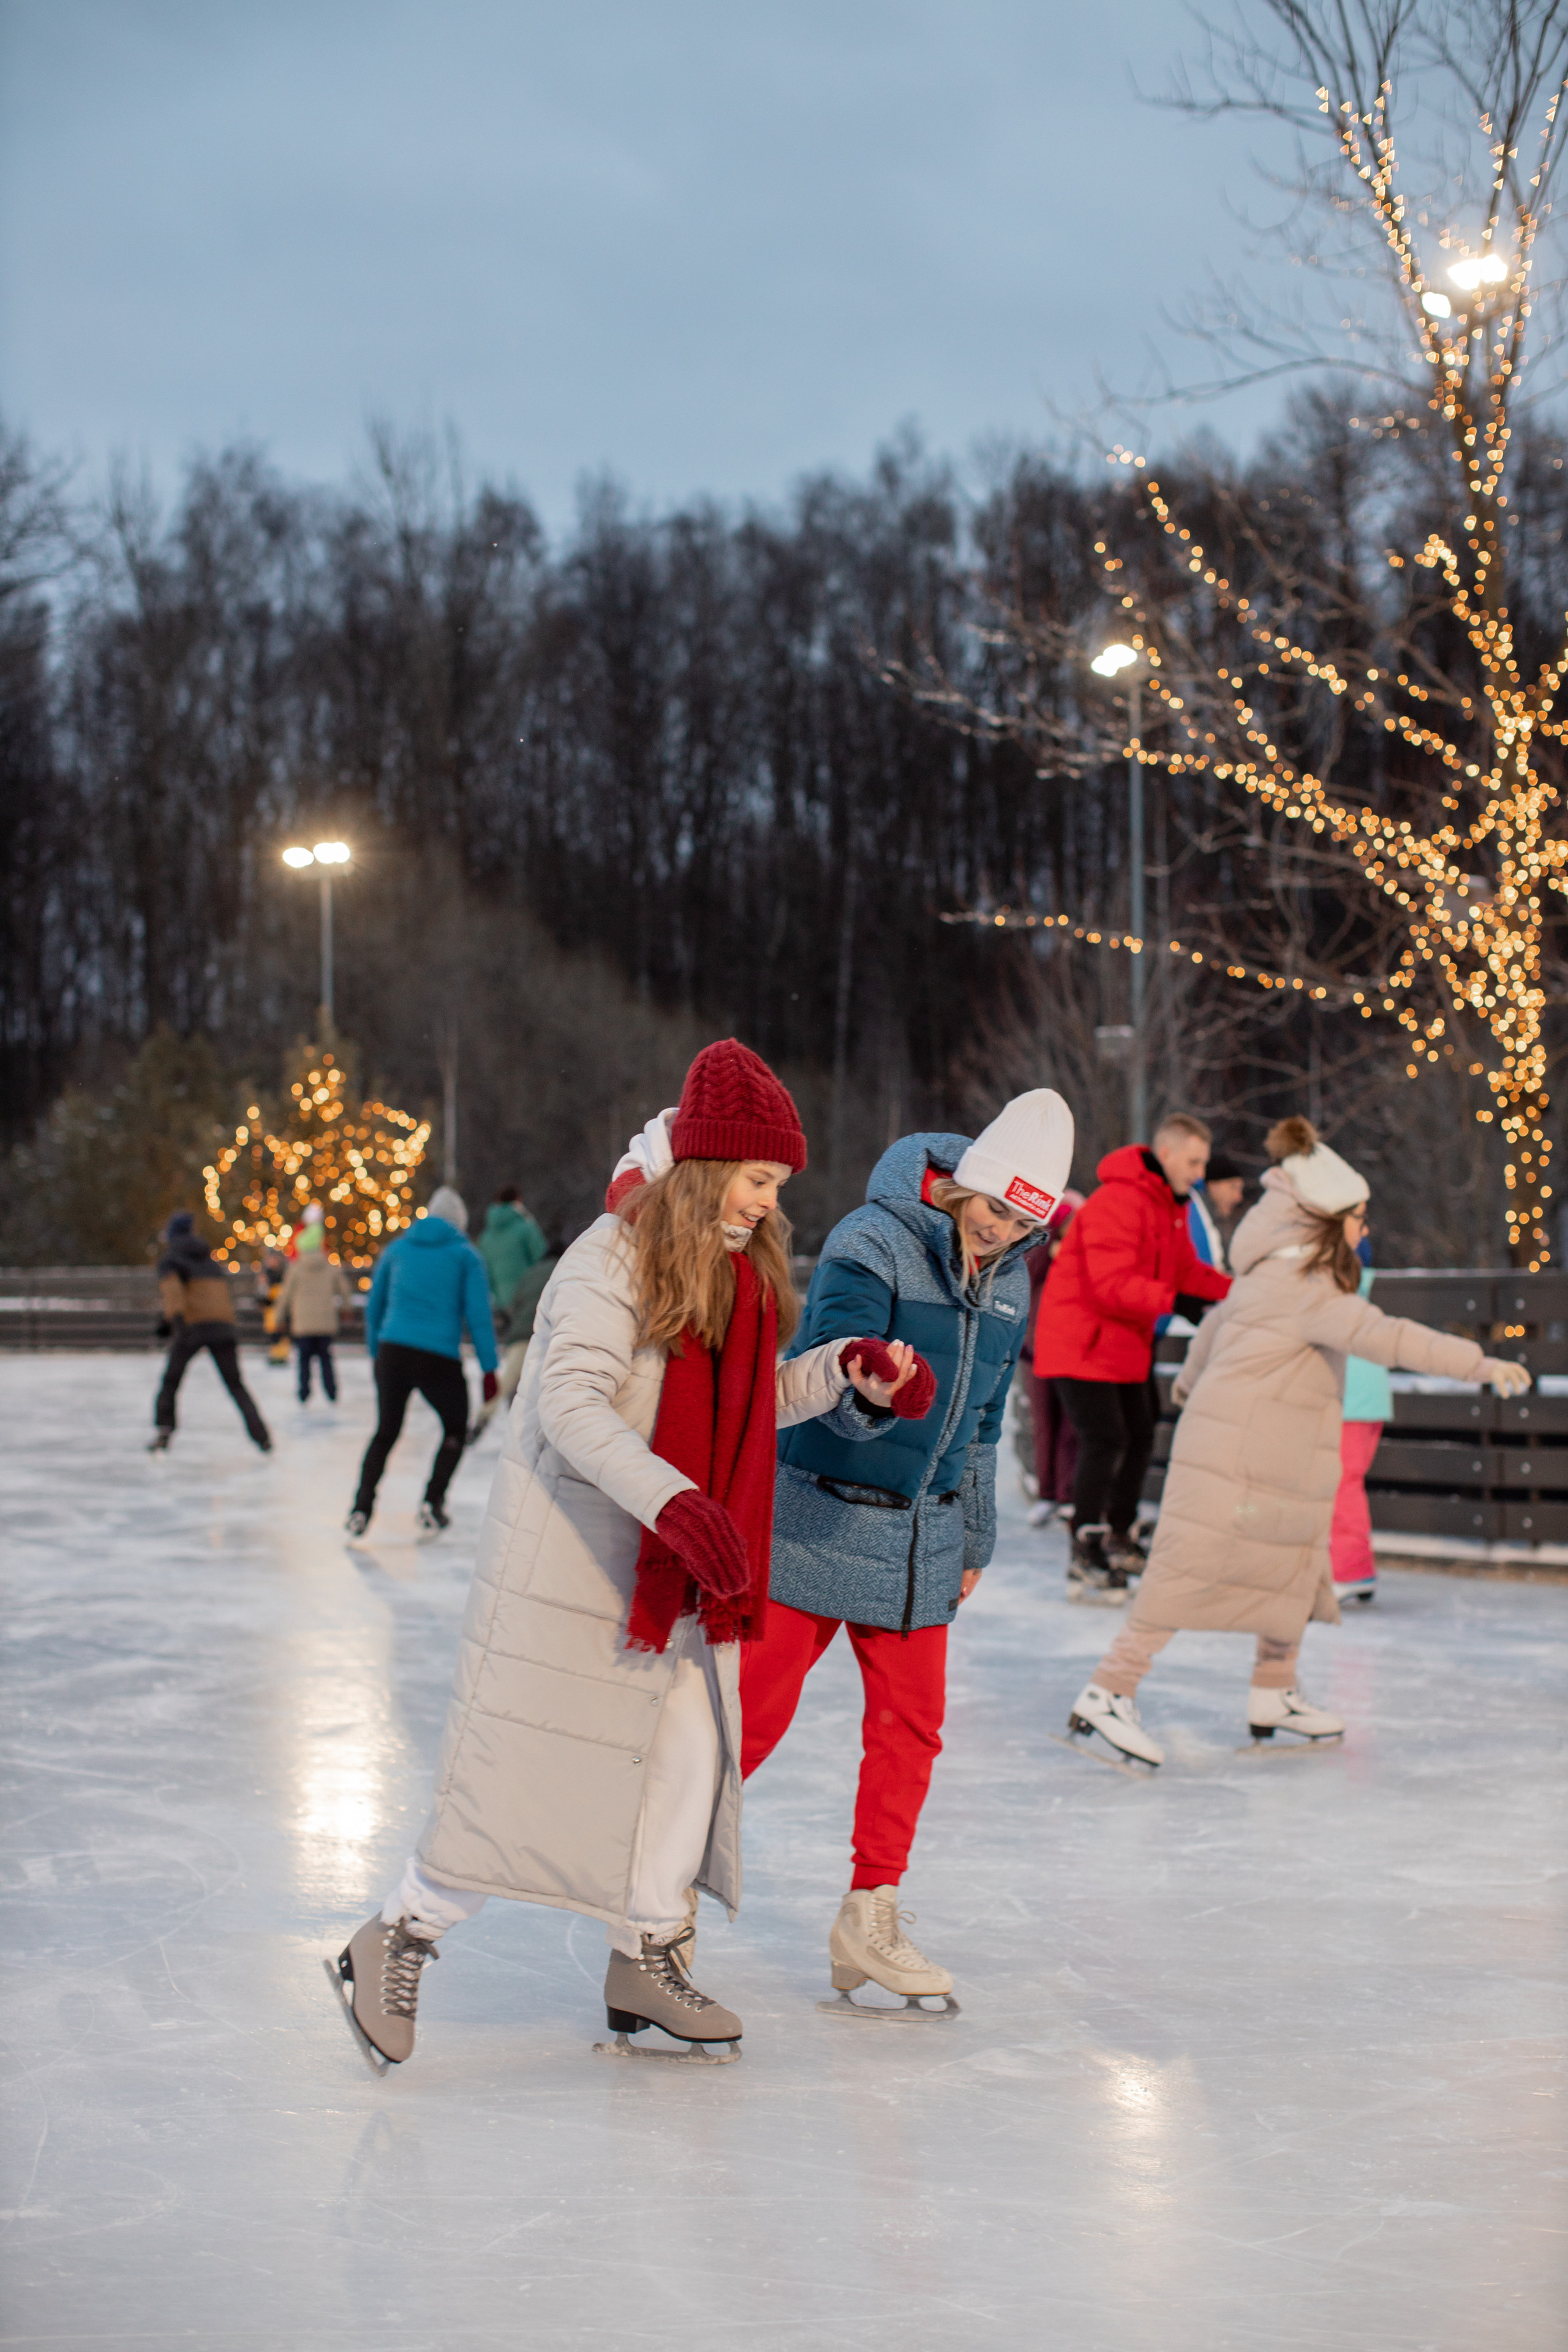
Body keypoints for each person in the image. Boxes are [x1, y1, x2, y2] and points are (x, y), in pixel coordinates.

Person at [328, 1039, 916, 2068]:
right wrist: (676, 1500)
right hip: (582, 1569)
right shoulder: (610, 1257)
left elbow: (746, 1416)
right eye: (757, 1178)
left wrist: (842, 1375)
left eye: (778, 1183)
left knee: (686, 1769)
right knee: (526, 1781)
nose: (769, 1203)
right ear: (705, 1167)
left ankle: (644, 1955)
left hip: (684, 1575)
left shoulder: (738, 1276)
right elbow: (570, 1406)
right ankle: (399, 1931)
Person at [741, 1090, 1074, 2012]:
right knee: (749, 1722)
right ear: (963, 1186)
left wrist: (975, 1532)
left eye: (1022, 1222)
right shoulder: (874, 1237)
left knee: (913, 1729)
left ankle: (869, 1914)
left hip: (923, 1531)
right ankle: (659, 1893)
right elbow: (835, 1343)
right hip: (817, 1511)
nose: (1000, 1235)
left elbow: (981, 1416)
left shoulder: (1011, 1279)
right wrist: (870, 1384)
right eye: (993, 1210)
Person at [1067, 1118, 1530, 1766]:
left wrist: (1189, 1389)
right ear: (1322, 1222)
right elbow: (1393, 1337)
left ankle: (1273, 1690)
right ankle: (1108, 1690)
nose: (1364, 1231)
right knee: (1190, 1568)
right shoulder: (1311, 1293)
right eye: (1357, 1219)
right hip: (1243, 1456)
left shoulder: (1263, 1280)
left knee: (1293, 1565)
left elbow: (1208, 1337)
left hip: (1255, 1449)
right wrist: (1479, 1364)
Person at [1036, 1112, 1232, 1603]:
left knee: (1142, 1431)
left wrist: (1240, 1290)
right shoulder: (1120, 1200)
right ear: (1165, 1154)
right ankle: (1086, 1547)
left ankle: (1121, 1534)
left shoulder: (1169, 1205)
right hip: (1083, 1341)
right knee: (1105, 1439)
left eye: (1203, 1163)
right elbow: (1110, 1285)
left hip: (1121, 1341)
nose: (1199, 1173)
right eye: (1193, 1161)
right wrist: (1175, 1301)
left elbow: (1187, 1268)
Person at [346, 1185, 498, 1538]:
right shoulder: (466, 1256)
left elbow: (374, 1308)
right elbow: (478, 1316)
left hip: (393, 1352)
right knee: (456, 1429)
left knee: (386, 1432)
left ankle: (361, 1507)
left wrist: (376, 1353)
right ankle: (433, 1502)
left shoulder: (397, 1250)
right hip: (438, 1359)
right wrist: (489, 1369)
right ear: (460, 1223)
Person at [149, 1212, 272, 1453]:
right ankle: (263, 1438)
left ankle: (164, 1432)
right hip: (223, 1326)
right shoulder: (209, 1260)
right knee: (236, 1385)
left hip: (193, 1325)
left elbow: (173, 1294)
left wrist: (169, 1321)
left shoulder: (171, 1260)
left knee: (171, 1380)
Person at [1330, 1238, 1390, 1605]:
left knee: (1342, 1485)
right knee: (1345, 1483)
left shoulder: (1342, 1302)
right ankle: (1357, 1568)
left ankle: (1352, 1571)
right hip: (1367, 1402)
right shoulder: (1361, 1301)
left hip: (1352, 1402)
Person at [1022, 1191, 1084, 1527]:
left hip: (1073, 1353)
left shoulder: (1081, 1261)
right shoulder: (1041, 1260)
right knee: (1045, 1423)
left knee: (1070, 1427)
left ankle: (1066, 1494)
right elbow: (1026, 1278)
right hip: (1037, 1351)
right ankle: (1047, 1494)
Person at [277, 1204, 353, 1403]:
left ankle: (304, 1392)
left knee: (304, 1360)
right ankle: (331, 1391)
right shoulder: (329, 1266)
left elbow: (285, 1295)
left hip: (302, 1324)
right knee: (326, 1358)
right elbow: (344, 1289)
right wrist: (346, 1308)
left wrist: (279, 1318)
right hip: (325, 1323)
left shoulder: (295, 1268)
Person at [1186, 1153, 1245, 1274]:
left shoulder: (1229, 1220)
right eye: (1233, 1187)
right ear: (1213, 1186)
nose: (1239, 1197)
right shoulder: (1194, 1219)